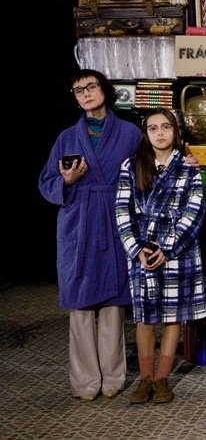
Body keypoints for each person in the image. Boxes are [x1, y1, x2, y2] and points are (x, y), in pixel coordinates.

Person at [38, 69, 140, 401]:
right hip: (78, 222)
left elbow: (148, 170)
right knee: (80, 305)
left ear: (105, 90)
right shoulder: (66, 138)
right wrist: (66, 181)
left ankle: (112, 377)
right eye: (78, 90)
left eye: (90, 87)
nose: (85, 94)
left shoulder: (130, 133)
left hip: (114, 219)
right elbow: (45, 183)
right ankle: (85, 382)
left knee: (113, 304)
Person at [114, 108, 206, 404]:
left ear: (175, 132)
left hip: (178, 249)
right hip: (143, 248)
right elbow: (122, 210)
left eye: (166, 127)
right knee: (144, 317)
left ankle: (162, 378)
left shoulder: (188, 166)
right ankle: (145, 378)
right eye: (153, 128)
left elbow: (195, 211)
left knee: (172, 316)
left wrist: (167, 248)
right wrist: (137, 249)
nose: (160, 133)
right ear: (146, 134)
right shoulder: (131, 165)